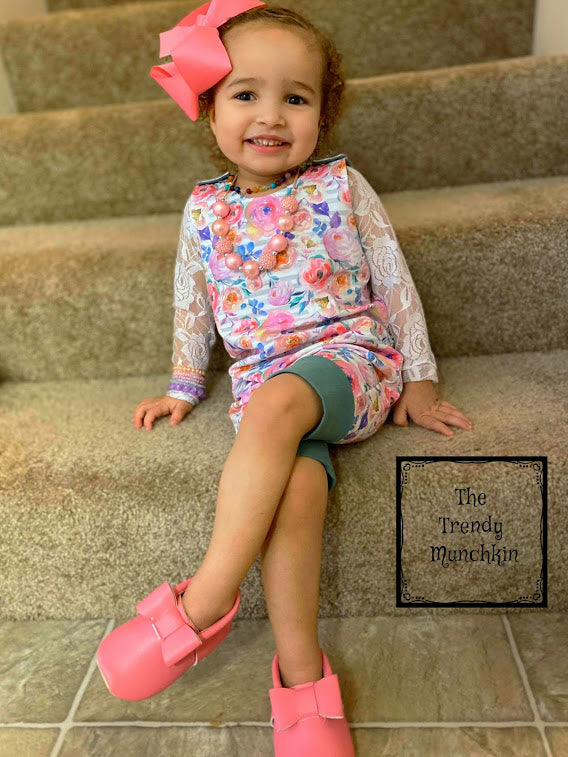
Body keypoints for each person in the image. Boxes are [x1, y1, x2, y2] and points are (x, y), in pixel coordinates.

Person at [96, 2, 474, 754]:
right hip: (263, 382)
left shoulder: (340, 186)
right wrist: (183, 384)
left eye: (295, 98)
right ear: (208, 109)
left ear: (321, 115)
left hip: (349, 363)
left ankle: (203, 600)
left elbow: (394, 277)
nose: (270, 115)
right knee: (296, 492)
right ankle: (302, 677)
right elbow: (192, 301)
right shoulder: (204, 210)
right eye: (246, 94)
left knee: (276, 407)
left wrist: (421, 376)